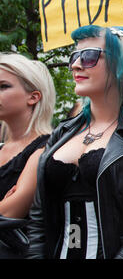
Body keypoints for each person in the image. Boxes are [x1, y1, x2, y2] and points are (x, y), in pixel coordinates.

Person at [26, 25, 123, 259]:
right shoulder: (62, 133)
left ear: (122, 65)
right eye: (74, 56)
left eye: (88, 56)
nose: (75, 65)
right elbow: (39, 219)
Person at [0, 53, 55, 258]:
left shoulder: (47, 147)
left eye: (4, 86)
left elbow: (10, 212)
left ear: (33, 96)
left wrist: (7, 205)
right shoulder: (3, 147)